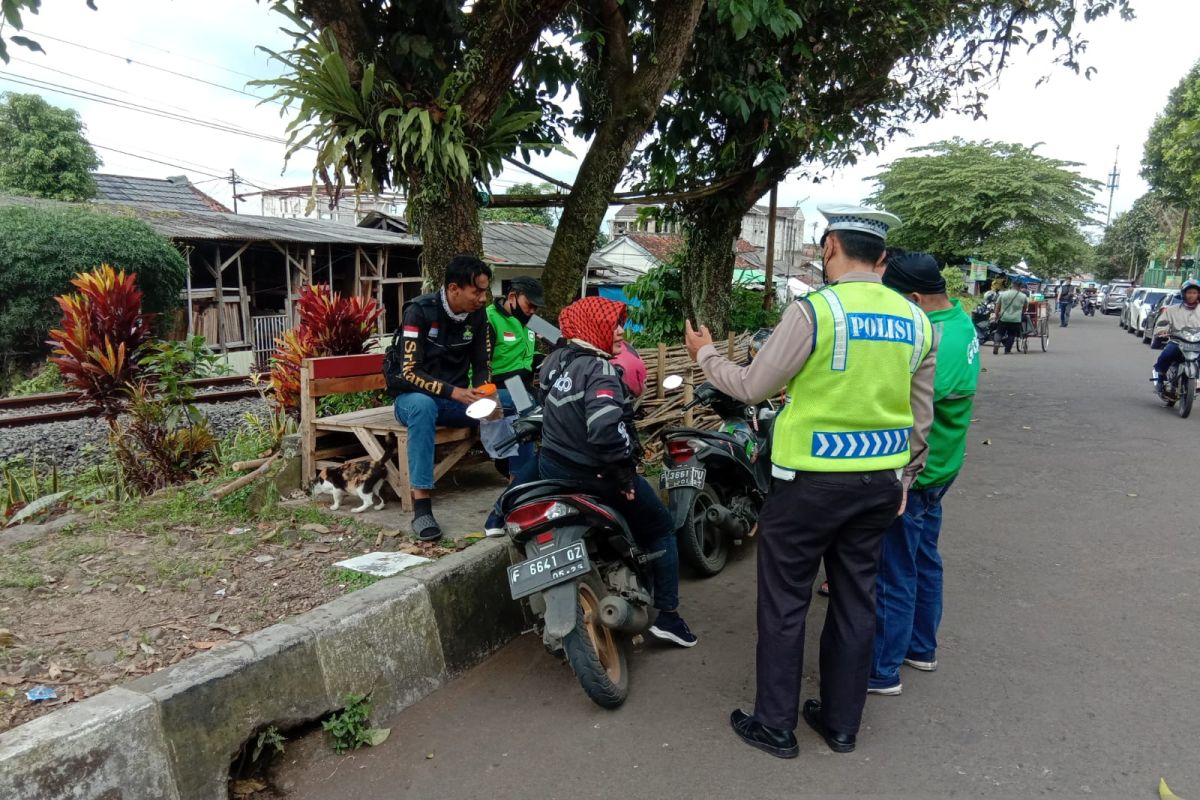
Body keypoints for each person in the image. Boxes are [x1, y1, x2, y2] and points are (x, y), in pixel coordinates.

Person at [686, 204, 936, 759]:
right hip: (879, 484)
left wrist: (704, 354)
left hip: (808, 485)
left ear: (828, 248)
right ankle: (842, 723)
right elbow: (922, 419)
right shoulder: (918, 321)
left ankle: (775, 724)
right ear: (884, 259)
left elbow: (752, 386)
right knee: (856, 601)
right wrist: (905, 480)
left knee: (785, 602)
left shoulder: (814, 312)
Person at [538, 296, 697, 648]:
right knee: (660, 527)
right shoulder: (600, 370)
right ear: (592, 327)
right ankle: (668, 616)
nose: (621, 332)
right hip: (596, 476)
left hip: (554, 471)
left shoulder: (553, 363)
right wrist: (624, 476)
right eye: (614, 324)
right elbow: (605, 430)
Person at [868, 250, 980, 696]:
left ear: (914, 297)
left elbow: (912, 412)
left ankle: (883, 669)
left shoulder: (940, 340)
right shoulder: (960, 320)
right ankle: (921, 647)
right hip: (944, 465)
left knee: (894, 570)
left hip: (921, 472)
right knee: (923, 558)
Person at [388, 255, 493, 542]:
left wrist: (484, 391)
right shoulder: (419, 311)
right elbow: (409, 372)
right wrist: (454, 392)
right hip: (413, 399)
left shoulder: (478, 315)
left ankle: (518, 484)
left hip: (457, 402)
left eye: (485, 291)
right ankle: (422, 507)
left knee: (509, 402)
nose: (483, 298)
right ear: (454, 288)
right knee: (423, 407)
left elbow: (482, 363)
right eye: (478, 291)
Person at [482, 277, 543, 537]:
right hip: (497, 388)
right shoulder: (489, 319)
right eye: (530, 305)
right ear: (513, 296)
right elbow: (480, 364)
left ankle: (522, 479)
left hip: (525, 385)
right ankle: (517, 491)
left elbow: (563, 340)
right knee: (530, 415)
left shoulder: (531, 320)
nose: (533, 311)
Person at [1153, 279, 1200, 389]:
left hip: (1197, 343)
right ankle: (1160, 378)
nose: (1192, 295)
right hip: (1178, 341)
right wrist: (1162, 330)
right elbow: (1161, 323)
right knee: (1167, 354)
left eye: (1194, 293)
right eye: (1189, 292)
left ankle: (1197, 378)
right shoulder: (1172, 310)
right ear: (1184, 294)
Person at [993, 279, 1029, 353]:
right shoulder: (1023, 296)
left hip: (1003, 317)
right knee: (1011, 335)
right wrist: (1021, 313)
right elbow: (1025, 308)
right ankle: (1007, 350)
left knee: (999, 332)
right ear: (1020, 286)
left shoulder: (1003, 294)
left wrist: (996, 316)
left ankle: (996, 343)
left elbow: (997, 306)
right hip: (1016, 319)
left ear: (1012, 285)